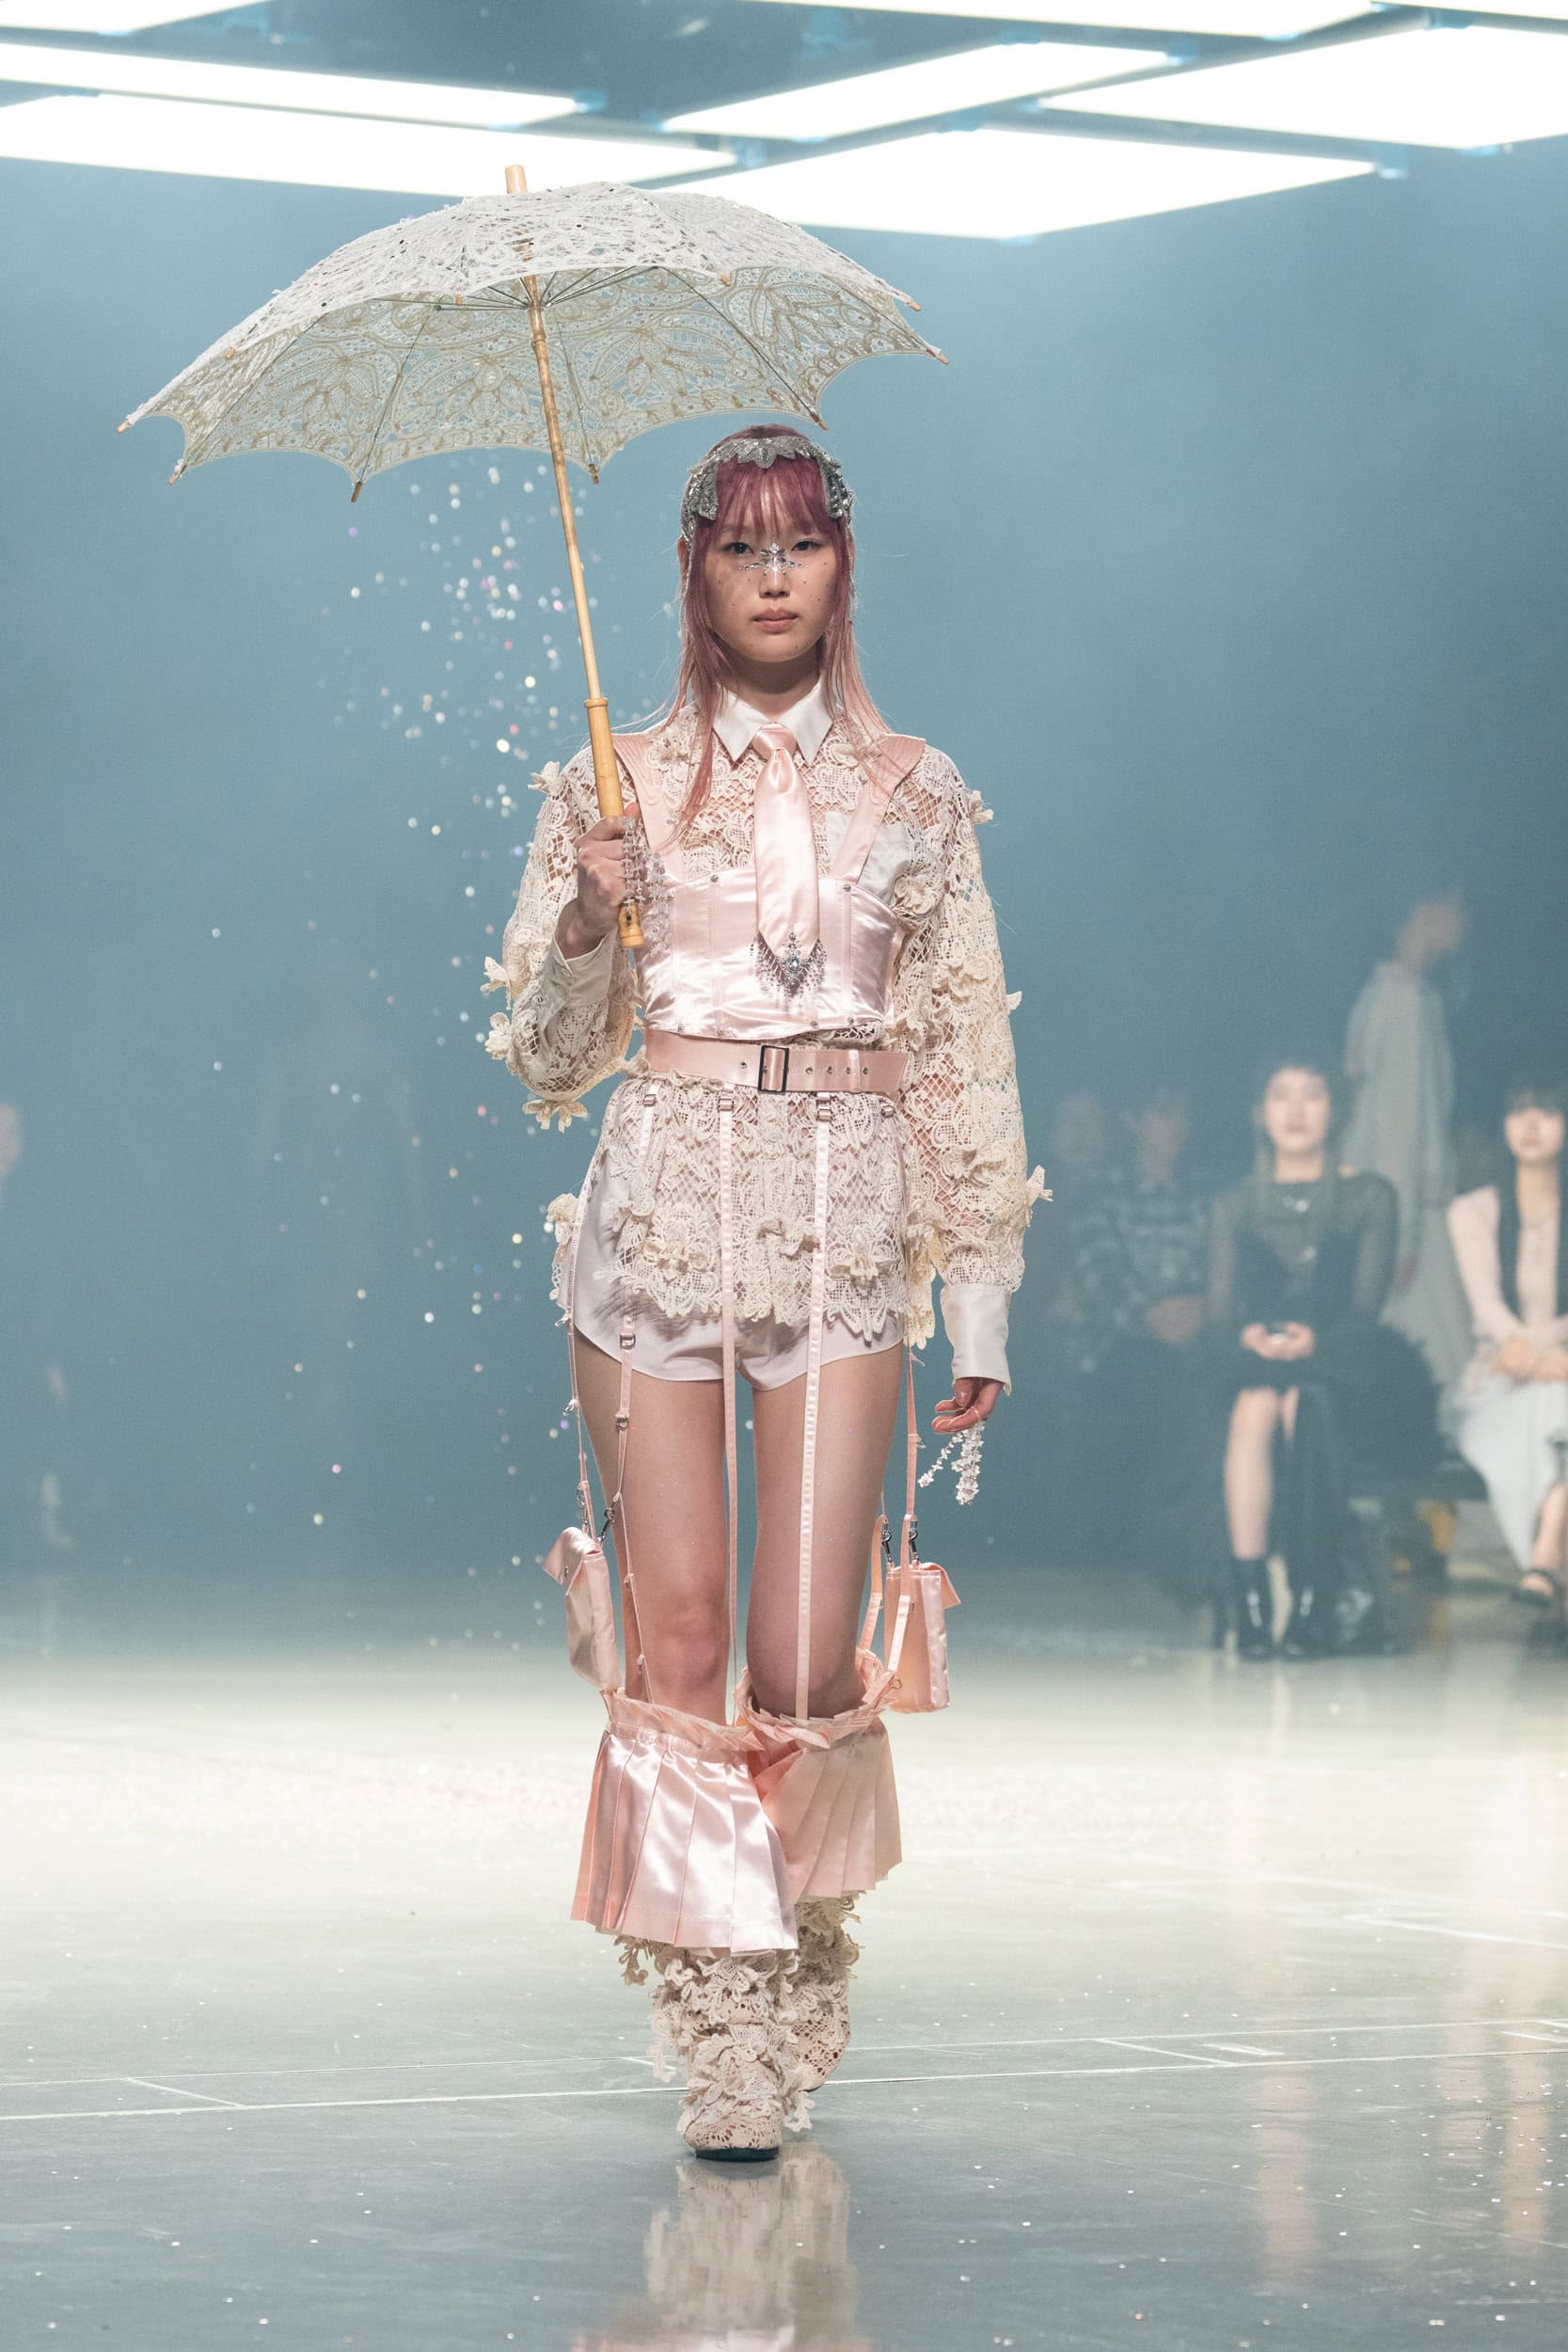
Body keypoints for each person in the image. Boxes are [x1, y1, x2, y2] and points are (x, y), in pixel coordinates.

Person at [486, 428, 1040, 2159]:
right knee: (681, 1641)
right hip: (661, 1207)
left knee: (805, 1652)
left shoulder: (919, 792)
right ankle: (722, 2028)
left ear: (842, 565)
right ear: (693, 573)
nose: (774, 573)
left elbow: (959, 1052)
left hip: (845, 1217)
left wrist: (981, 1297)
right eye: (740, 546)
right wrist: (587, 926)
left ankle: (795, 1953)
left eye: (800, 542)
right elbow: (546, 1061)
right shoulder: (613, 783)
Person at [1203, 1054, 1436, 1659]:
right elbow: (1219, 1314)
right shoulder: (1235, 1202)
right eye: (1282, 1095)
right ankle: (1254, 1606)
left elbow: (1365, 1310)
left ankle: (1312, 1600)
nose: (1297, 1110)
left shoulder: (1369, 1195)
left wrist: (1317, 1343)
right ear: (1260, 1112)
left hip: (1345, 1362)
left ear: (1336, 1109)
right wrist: (1250, 1337)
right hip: (1258, 1362)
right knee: (1255, 1403)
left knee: (1303, 1401)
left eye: (1312, 1094)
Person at [1067, 1084, 1209, 1567]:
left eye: (1183, 1113)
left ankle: (1180, 1548)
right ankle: (1112, 1551)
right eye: (1163, 1112)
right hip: (1117, 1344)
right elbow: (1102, 1274)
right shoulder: (1100, 1193)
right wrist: (1150, 1316)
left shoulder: (1207, 1194)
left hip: (1193, 1338)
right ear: (1133, 1121)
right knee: (1138, 1375)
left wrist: (1202, 1309)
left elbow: (1222, 1268)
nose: (1177, 1125)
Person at [1342, 891, 1473, 1393]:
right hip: (1409, 1214)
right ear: (1422, 909)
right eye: (1457, 904)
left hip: (1399, 1210)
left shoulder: (1399, 996)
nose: (1464, 918)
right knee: (1444, 1366)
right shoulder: (1402, 1003)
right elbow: (1399, 1127)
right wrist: (1402, 1236)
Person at [1448, 1076, 1568, 1604]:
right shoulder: (1473, 1210)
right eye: (1519, 1111)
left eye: (1548, 1110)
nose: (1532, 1124)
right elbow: (1487, 1306)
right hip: (1500, 1376)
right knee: (1554, 1404)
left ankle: (1544, 1559)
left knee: (1559, 1401)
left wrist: (1549, 1358)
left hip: (1560, 1372)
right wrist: (1535, 1354)